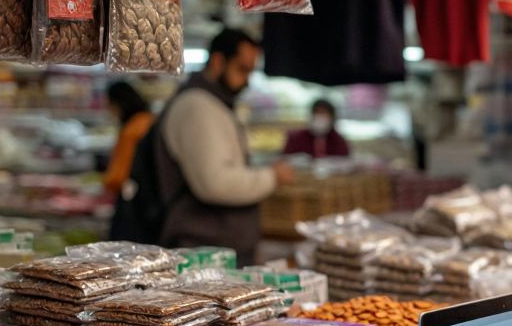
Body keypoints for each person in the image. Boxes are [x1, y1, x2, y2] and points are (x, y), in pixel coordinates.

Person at [145, 28, 293, 264]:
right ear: (217, 61)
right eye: (242, 69)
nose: (246, 81)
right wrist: (271, 177)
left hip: (220, 250)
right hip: (203, 253)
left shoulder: (214, 103)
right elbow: (215, 184)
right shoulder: (197, 107)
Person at [102, 82, 155, 197]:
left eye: (109, 105)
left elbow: (118, 176)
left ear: (119, 104)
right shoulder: (149, 120)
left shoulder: (131, 130)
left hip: (135, 197)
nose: (110, 112)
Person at [282, 99, 351, 159]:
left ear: (332, 118)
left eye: (324, 114)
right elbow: (284, 161)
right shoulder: (296, 139)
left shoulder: (339, 141)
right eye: (317, 113)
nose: (320, 117)